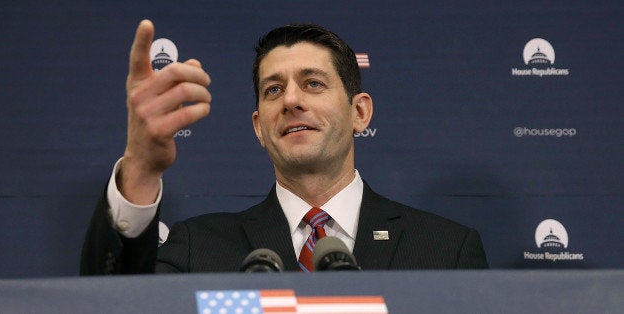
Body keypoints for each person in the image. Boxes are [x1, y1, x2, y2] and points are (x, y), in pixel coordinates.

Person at [80, 20, 488, 275]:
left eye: (313, 83)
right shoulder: (197, 248)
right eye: (273, 89)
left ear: (359, 113)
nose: (291, 100)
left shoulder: (444, 251)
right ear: (260, 127)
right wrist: (141, 168)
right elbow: (112, 305)